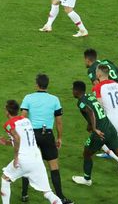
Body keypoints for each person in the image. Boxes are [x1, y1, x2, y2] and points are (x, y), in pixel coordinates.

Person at [19, 74, 73, 203]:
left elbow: (22, 118)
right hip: (47, 134)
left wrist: (22, 135)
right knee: (54, 166)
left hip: (31, 135)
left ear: (37, 84)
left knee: (27, 163)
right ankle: (60, 197)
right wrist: (59, 138)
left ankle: (24, 194)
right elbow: (59, 122)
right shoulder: (55, 99)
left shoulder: (28, 98)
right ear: (47, 85)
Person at [0, 100, 62, 204]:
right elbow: (23, 140)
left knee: (5, 179)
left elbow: (17, 138)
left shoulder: (9, 124)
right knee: (47, 192)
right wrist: (6, 142)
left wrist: (16, 158)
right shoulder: (26, 120)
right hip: (36, 158)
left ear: (7, 111)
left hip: (23, 159)